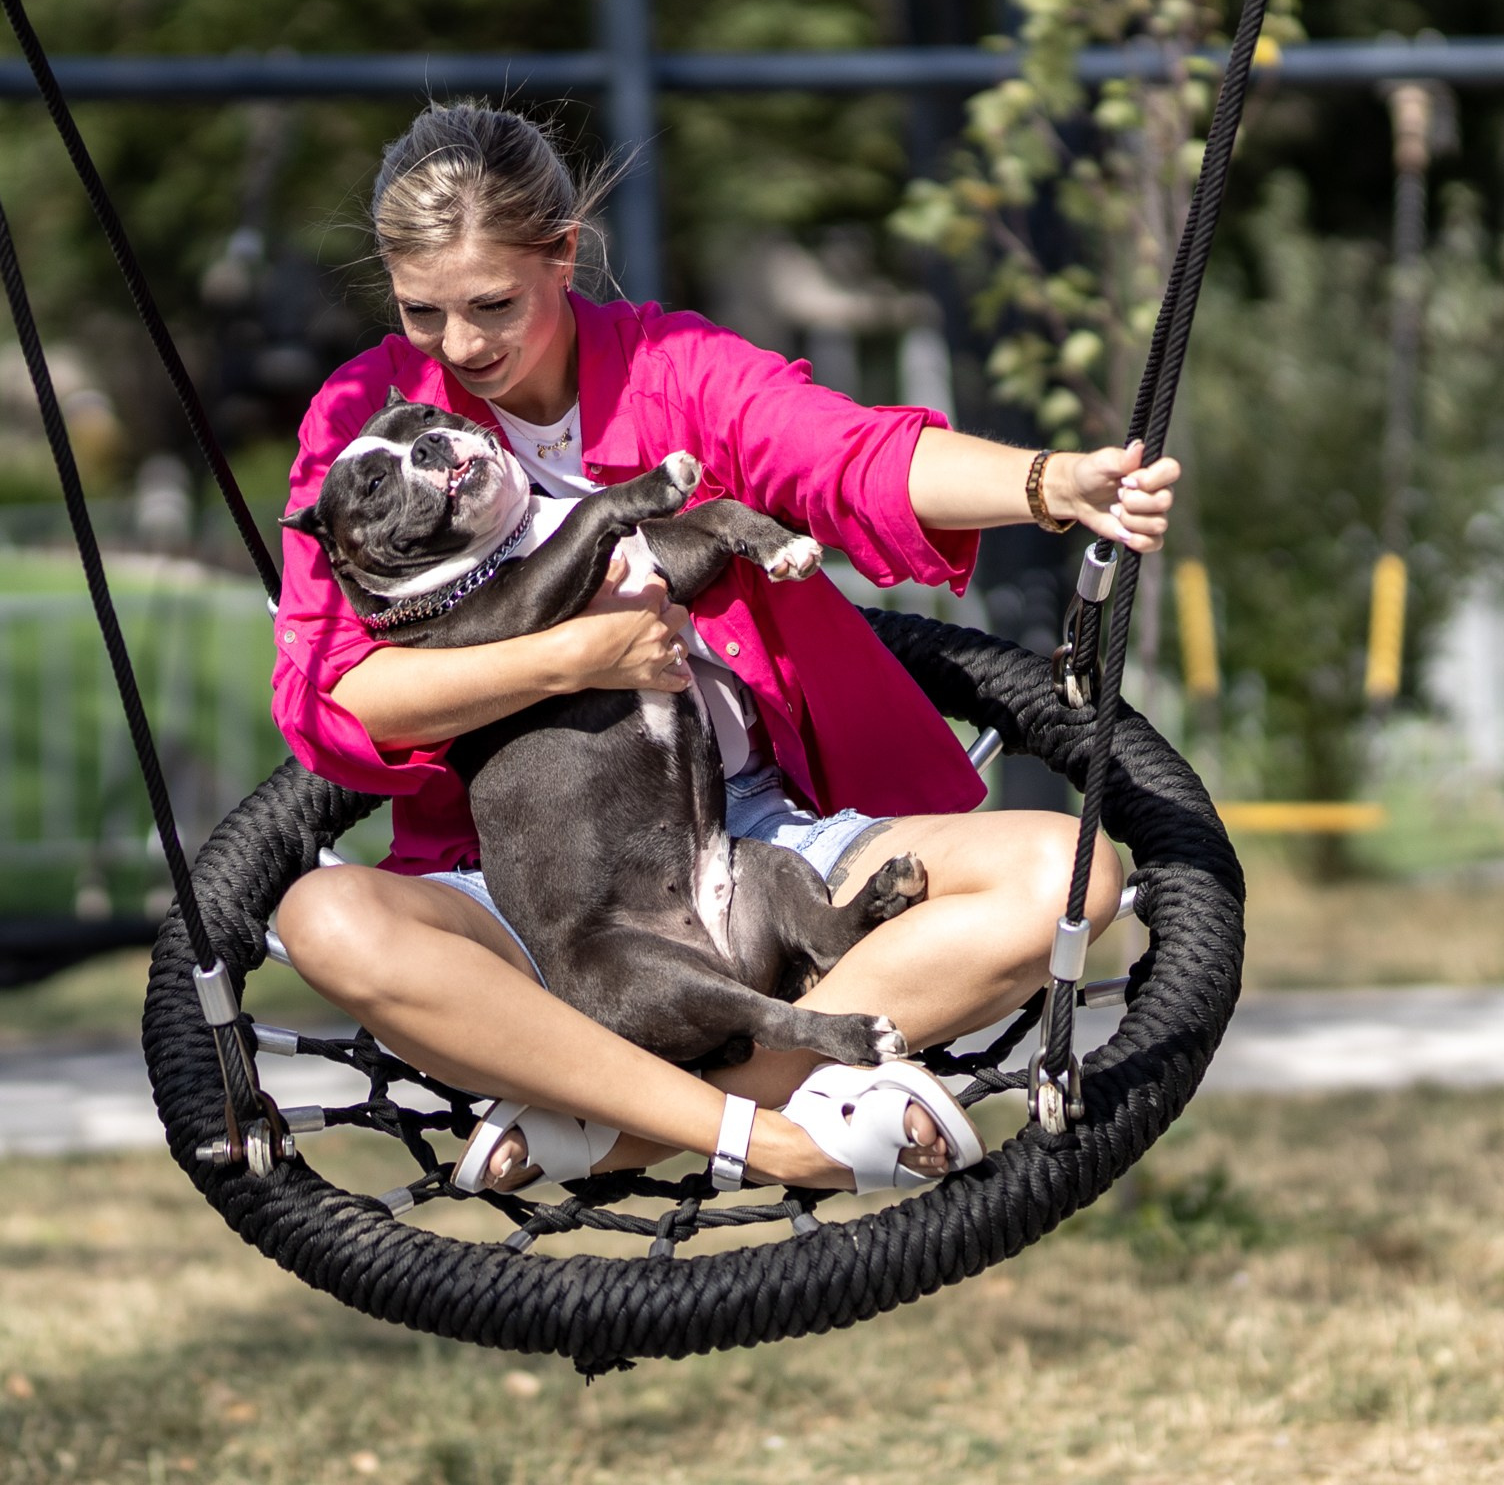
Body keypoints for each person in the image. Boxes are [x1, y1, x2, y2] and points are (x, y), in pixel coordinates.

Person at [271, 103, 1181, 1192]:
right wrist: (576, 659)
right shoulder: (368, 420)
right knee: (324, 915)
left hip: (748, 836)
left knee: (1062, 878)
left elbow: (851, 461)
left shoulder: (675, 370)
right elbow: (336, 694)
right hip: (531, 876)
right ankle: (783, 1129)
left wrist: (1047, 483)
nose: (462, 347)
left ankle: (641, 1126)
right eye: (424, 313)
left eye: (493, 304)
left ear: (564, 253)